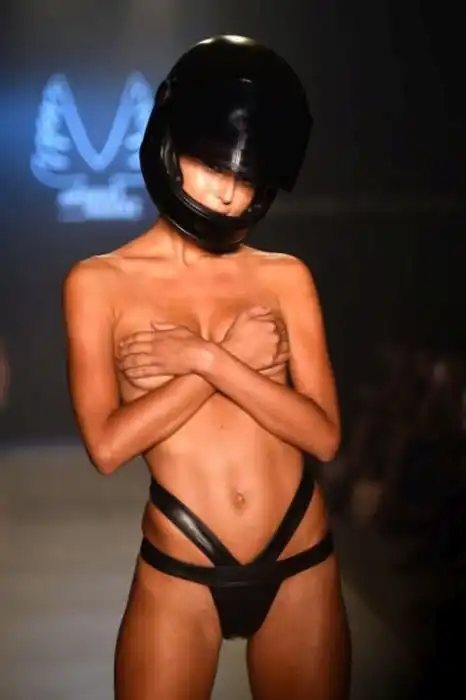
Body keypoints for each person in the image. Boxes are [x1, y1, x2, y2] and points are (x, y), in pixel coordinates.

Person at [63, 35, 350, 700]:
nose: (226, 193)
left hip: (300, 553)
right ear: (171, 144)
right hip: (181, 563)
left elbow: (324, 436)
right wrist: (217, 365)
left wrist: (207, 358)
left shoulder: (284, 277)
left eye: (247, 179)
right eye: (213, 165)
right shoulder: (98, 283)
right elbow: (107, 446)